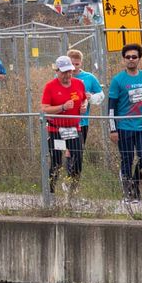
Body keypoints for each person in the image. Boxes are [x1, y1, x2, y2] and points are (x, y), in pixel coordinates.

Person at [107, 43, 142, 204]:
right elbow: (111, 107)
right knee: (127, 159)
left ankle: (136, 184)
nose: (131, 59)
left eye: (134, 57)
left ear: (139, 58)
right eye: (127, 57)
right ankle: (128, 192)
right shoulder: (117, 80)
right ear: (123, 59)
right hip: (123, 127)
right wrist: (113, 129)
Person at [42, 56, 86, 189]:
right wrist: (62, 107)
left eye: (70, 71)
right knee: (56, 161)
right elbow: (44, 109)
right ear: (57, 71)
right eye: (64, 72)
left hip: (74, 129)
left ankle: (73, 189)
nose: (68, 75)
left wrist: (83, 106)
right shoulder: (50, 86)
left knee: (77, 158)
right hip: (56, 130)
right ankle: (50, 191)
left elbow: (84, 99)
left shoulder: (79, 83)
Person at [66, 49, 104, 144]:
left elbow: (101, 95)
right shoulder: (60, 76)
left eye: (77, 64)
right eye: (71, 64)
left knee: (78, 152)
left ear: (81, 63)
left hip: (82, 122)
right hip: (64, 121)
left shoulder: (89, 77)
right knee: (65, 150)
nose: (74, 67)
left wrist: (91, 97)